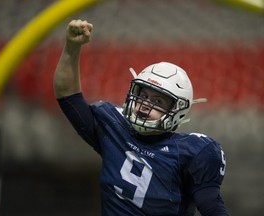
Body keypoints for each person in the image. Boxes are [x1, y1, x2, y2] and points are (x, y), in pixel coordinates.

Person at [53, 19, 229, 216]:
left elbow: (212, 207)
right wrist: (72, 47)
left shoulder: (193, 152)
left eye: (158, 101)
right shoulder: (114, 126)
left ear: (178, 110)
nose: (145, 103)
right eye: (143, 96)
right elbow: (68, 97)